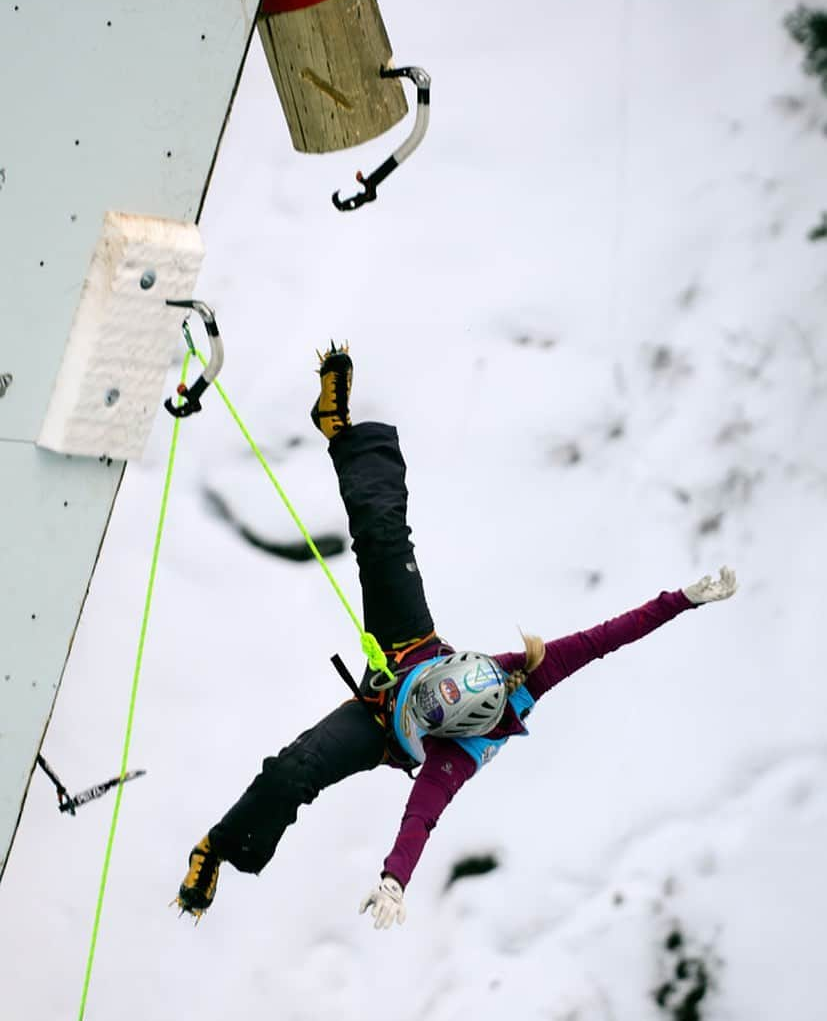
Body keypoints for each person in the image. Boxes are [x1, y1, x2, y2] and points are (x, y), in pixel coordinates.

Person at [176, 344, 738, 929]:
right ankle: (338, 429)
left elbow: (420, 819)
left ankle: (215, 848)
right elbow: (608, 637)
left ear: (447, 731)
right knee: (383, 533)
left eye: (434, 709)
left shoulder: (454, 758)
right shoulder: (528, 669)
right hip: (411, 651)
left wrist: (394, 879)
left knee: (294, 772)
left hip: (377, 726)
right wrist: (685, 599)